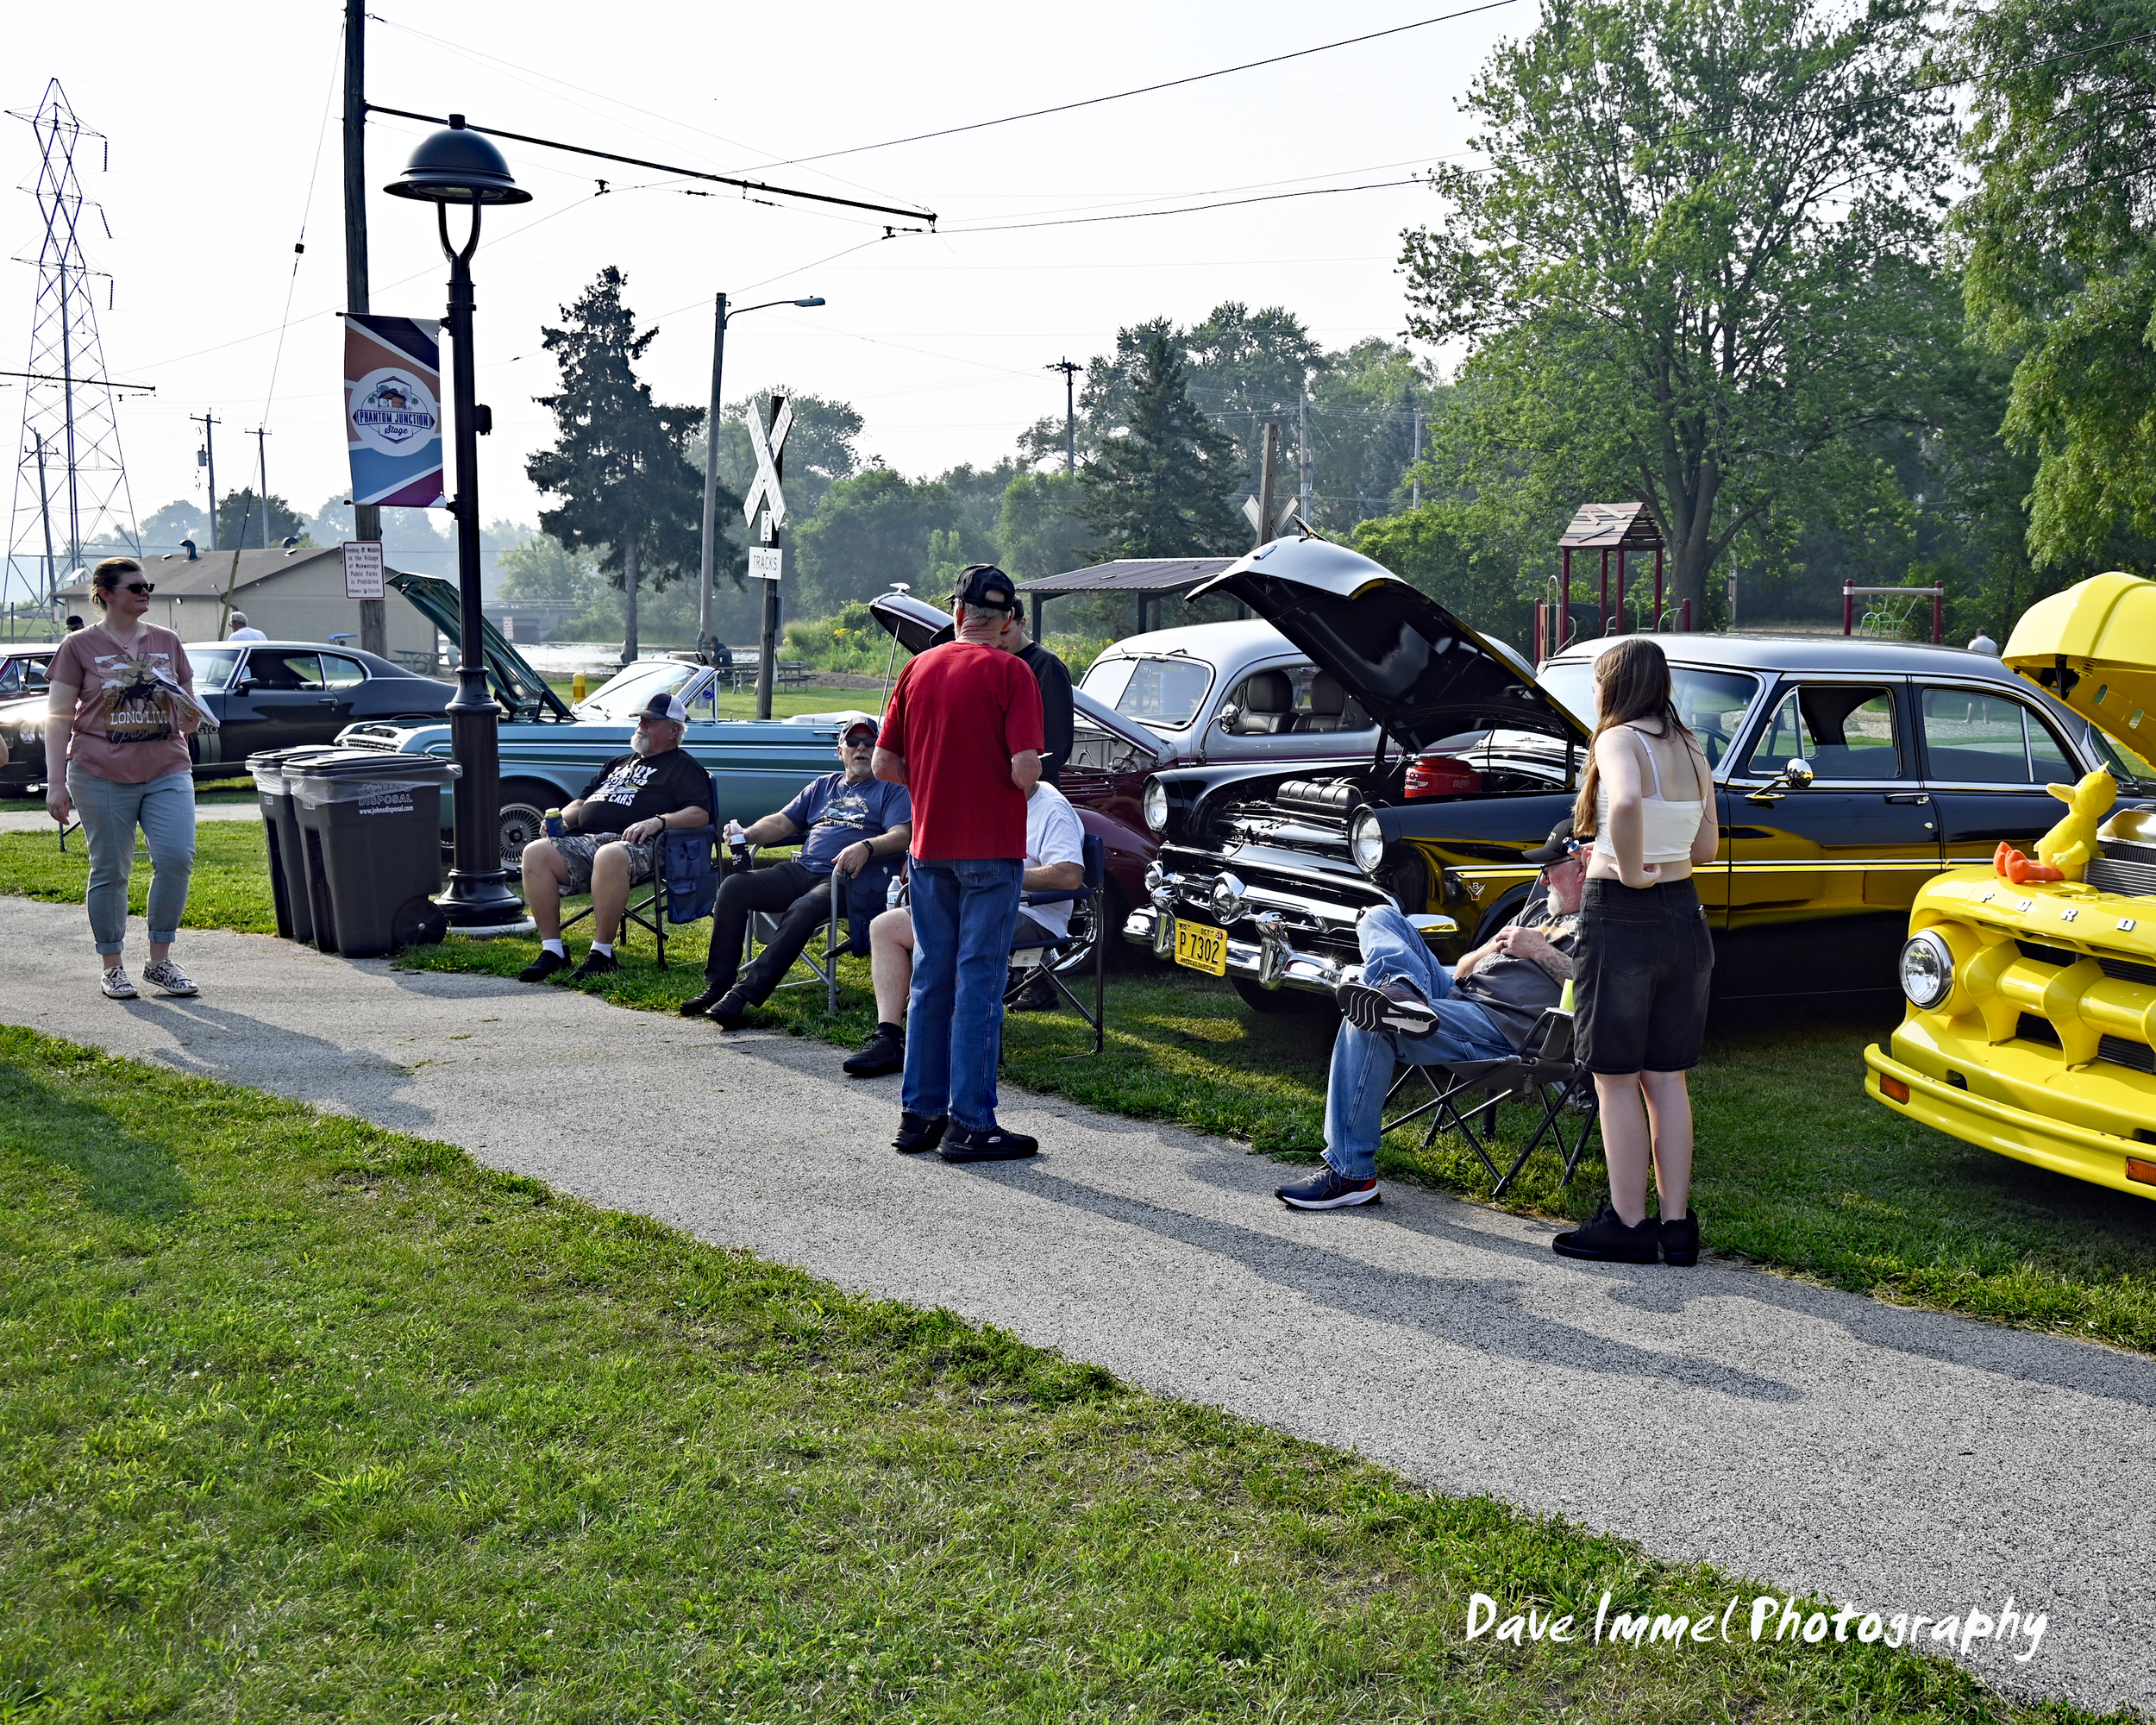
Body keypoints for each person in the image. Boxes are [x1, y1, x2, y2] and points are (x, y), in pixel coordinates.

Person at [1275, 822, 1587, 1209]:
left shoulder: (1602, 922)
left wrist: (1540, 950)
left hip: (1507, 1027)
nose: (1541, 879)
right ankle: (1404, 993)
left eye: (1550, 867)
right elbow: (1463, 970)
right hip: (1459, 991)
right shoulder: (1541, 908)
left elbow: (1602, 987)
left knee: (1371, 1018)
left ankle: (1351, 1175)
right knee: (1378, 916)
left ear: (1581, 865)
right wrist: (1490, 947)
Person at [1554, 636, 1718, 1266]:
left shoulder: (1618, 738)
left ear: (1616, 685)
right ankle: (1676, 1227)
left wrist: (1627, 869)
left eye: (1598, 682)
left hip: (1624, 916)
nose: (1595, 695)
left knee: (1615, 1077)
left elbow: (1621, 801)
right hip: (1686, 915)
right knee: (1666, 1075)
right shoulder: (1691, 744)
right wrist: (1661, 864)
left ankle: (1627, 1222)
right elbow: (1706, 846)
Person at [873, 563, 1045, 1160]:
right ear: (1010, 622)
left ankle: (918, 1116)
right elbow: (1026, 769)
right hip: (991, 850)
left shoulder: (918, 668)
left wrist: (933, 788)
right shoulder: (1013, 671)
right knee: (978, 985)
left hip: (929, 849)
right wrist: (1005, 788)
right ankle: (972, 1122)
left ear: (956, 614)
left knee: (930, 980)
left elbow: (883, 766)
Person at [44, 557, 211, 1000]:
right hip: (99, 771)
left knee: (176, 859)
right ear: (105, 594)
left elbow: (189, 713)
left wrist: (192, 713)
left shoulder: (167, 641)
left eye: (147, 586)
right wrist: (55, 782)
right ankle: (113, 966)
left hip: (167, 767)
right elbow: (58, 719)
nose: (145, 592)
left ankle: (160, 962)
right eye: (135, 587)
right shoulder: (79, 646)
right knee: (111, 868)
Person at [843, 776, 1086, 1077]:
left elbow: (1069, 875)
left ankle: (960, 1047)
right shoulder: (984, 800)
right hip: (968, 901)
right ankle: (889, 1037)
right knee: (885, 927)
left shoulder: (1051, 808)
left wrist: (1000, 874)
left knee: (960, 934)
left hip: (1031, 912)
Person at [680, 718, 912, 1026]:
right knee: (735, 887)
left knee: (804, 908)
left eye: (869, 743)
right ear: (839, 750)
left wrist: (866, 846)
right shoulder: (822, 786)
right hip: (804, 869)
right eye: (853, 742)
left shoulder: (891, 790)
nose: (861, 749)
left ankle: (742, 995)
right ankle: (718, 985)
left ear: (879, 750)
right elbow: (781, 822)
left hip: (850, 879)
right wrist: (747, 834)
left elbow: (901, 834)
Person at [516, 692, 712, 982]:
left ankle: (602, 953)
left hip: (643, 845)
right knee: (535, 851)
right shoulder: (617, 763)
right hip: (589, 841)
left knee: (610, 854)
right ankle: (553, 951)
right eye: (640, 720)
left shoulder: (684, 767)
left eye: (650, 722)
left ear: (674, 730)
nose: (641, 726)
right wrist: (559, 820)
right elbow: (582, 802)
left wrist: (659, 821)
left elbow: (701, 813)